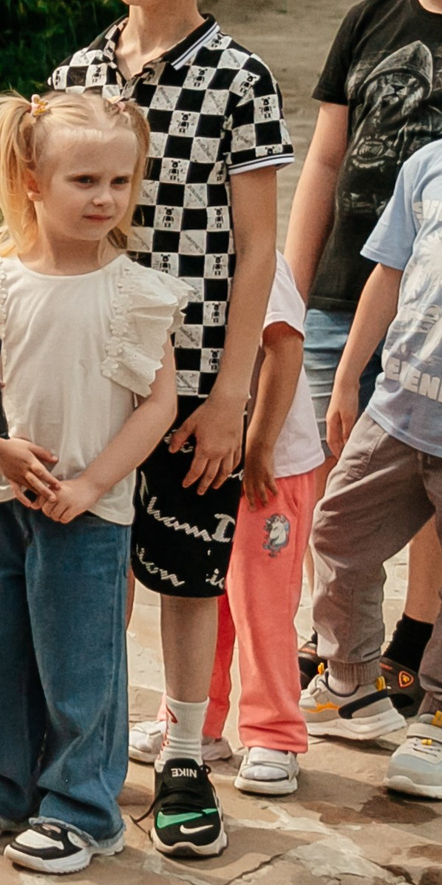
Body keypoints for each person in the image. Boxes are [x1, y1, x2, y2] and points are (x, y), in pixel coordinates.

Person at [46, 0, 290, 859]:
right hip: (85, 373)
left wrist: (231, 391)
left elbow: (260, 247)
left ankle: (187, 748)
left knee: (188, 569)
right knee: (89, 567)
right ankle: (81, 754)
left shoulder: (240, 79)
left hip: (192, 380)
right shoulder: (71, 76)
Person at [0, 94, 190, 872]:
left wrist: (92, 483)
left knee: (79, 660)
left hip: (89, 512)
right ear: (31, 179)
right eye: (84, 179)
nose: (105, 199)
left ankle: (83, 806)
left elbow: (159, 402)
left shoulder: (134, 292)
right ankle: (1, 785)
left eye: (120, 182)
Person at [284, 0, 442, 713]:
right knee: (350, 464)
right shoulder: (369, 20)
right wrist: (290, 290)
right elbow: (325, 157)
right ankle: (339, 643)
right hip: (352, 284)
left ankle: (420, 634)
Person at [303, 7, 442, 800]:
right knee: (338, 533)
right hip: (400, 413)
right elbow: (388, 274)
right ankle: (350, 680)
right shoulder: (435, 164)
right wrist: (348, 378)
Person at [127, 254, 321, 795]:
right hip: (209, 461)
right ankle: (197, 725)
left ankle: (275, 732)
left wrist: (259, 447)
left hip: (270, 470)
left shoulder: (263, 263)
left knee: (262, 606)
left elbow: (285, 347)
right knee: (201, 590)